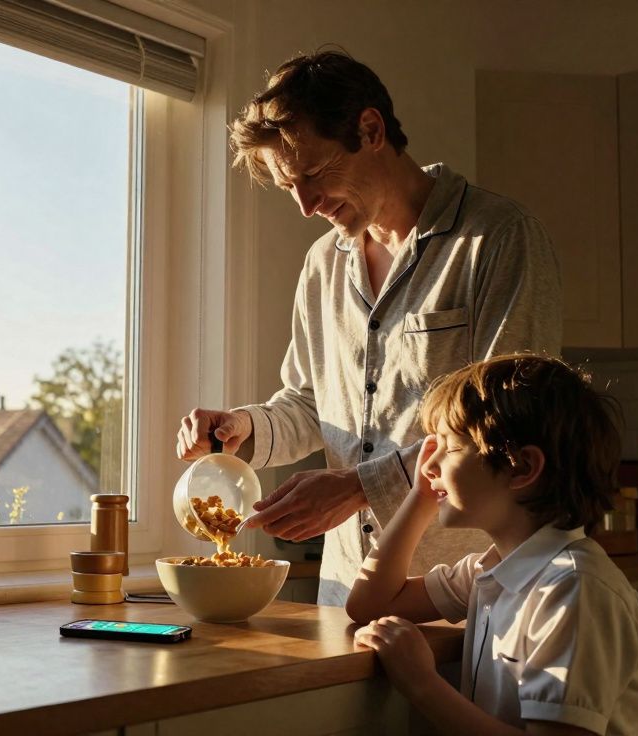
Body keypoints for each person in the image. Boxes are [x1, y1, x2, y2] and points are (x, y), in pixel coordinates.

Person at [175, 49, 562, 605]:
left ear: (371, 129)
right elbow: (311, 404)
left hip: (469, 595)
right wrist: (245, 427)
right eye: (289, 186)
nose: (306, 204)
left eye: (314, 174)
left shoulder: (499, 238)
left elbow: (507, 420)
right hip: (348, 596)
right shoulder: (322, 266)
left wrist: (360, 487)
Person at [348, 354, 638, 735]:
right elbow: (369, 603)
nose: (430, 465)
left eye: (450, 447)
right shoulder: (491, 570)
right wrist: (421, 496)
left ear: (522, 467)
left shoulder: (574, 590)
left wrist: (421, 685)